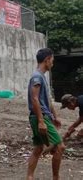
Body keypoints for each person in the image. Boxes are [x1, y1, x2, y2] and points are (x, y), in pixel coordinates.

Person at [26, 48, 65, 180]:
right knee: (60, 146)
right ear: (47, 60)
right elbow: (35, 99)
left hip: (40, 116)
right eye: (52, 61)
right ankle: (56, 177)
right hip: (39, 117)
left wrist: (54, 117)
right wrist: (42, 120)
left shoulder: (42, 76)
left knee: (38, 148)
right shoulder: (37, 76)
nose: (52, 64)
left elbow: (47, 100)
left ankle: (29, 177)